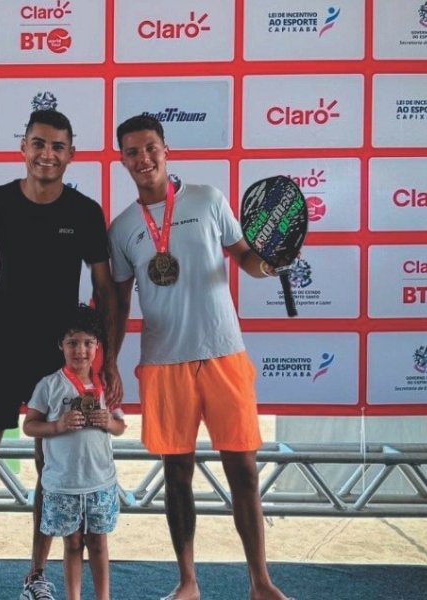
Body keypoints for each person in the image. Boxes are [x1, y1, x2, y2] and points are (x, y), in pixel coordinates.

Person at [0, 109, 120, 600]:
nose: (47, 154)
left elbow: (105, 288)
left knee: (50, 468)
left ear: (71, 154)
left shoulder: (84, 212)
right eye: (39, 143)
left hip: (53, 362)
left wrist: (108, 360)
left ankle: (36, 575)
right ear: (23, 147)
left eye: (58, 146)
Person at [108, 114, 290, 600]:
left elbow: (245, 257)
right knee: (177, 474)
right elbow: (120, 303)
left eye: (150, 148)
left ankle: (260, 582)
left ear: (166, 149)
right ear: (121, 160)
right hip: (164, 359)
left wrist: (269, 263)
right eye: (132, 152)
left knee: (244, 469)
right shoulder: (124, 226)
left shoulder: (208, 199)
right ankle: (187, 581)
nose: (143, 159)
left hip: (224, 351)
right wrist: (108, 361)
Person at [22, 304, 127, 600]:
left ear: (97, 346)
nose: (80, 350)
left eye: (87, 343)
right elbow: (30, 426)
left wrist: (109, 422)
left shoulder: (106, 385)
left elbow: (121, 426)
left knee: (98, 543)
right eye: (72, 343)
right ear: (60, 345)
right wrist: (57, 426)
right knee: (71, 544)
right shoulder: (48, 385)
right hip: (64, 483)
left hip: (100, 481)